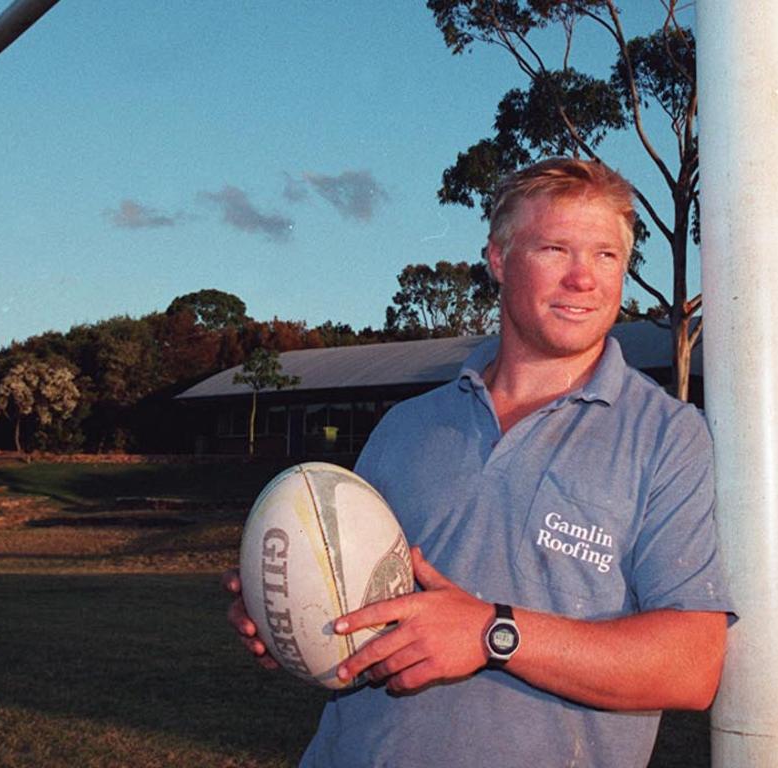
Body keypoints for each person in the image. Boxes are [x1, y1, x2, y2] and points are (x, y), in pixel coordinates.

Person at [226, 157, 734, 767]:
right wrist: (294, 614)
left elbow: (692, 665)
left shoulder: (667, 436)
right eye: (554, 249)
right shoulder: (407, 426)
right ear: (497, 259)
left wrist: (492, 633)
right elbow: (363, 607)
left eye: (606, 256)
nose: (584, 279)